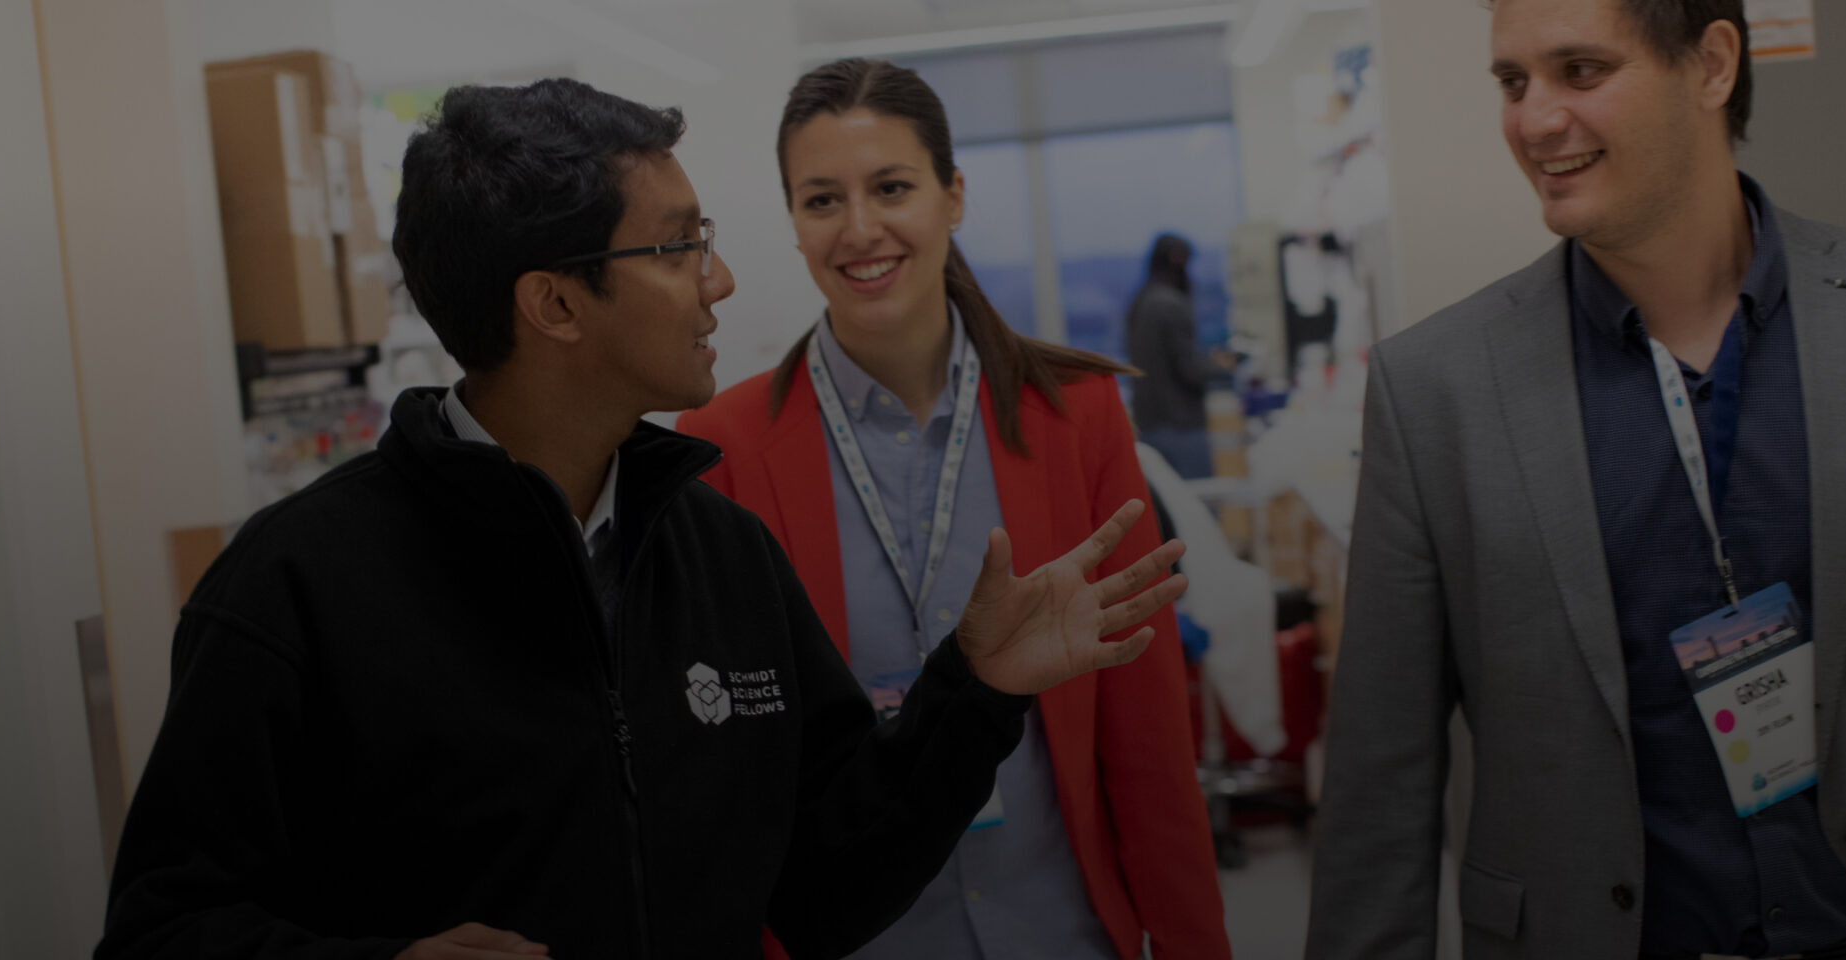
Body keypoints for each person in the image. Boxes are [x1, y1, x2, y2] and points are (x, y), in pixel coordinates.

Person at [95, 79, 1192, 960]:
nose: (716, 279)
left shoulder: (717, 554)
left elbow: (822, 890)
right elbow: (162, 927)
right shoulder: (297, 589)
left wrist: (973, 689)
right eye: (674, 248)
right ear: (555, 305)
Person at [1304, 2, 1846, 960]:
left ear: (1713, 64)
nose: (1534, 120)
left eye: (1579, 70)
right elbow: (1381, 788)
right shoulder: (1434, 391)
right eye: (1513, 81)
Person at [676, 59, 1231, 960]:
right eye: (822, 200)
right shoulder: (721, 449)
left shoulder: (1076, 417)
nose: (860, 230)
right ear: (793, 221)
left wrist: (1192, 941)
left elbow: (1146, 731)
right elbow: (728, 783)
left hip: (1059, 927)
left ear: (953, 196)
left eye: (891, 187)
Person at [1123, 233, 1221, 481]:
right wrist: (1218, 364)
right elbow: (1189, 371)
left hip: (1150, 425)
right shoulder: (1172, 305)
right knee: (1199, 511)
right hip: (1181, 427)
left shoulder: (1140, 301)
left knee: (1171, 514)